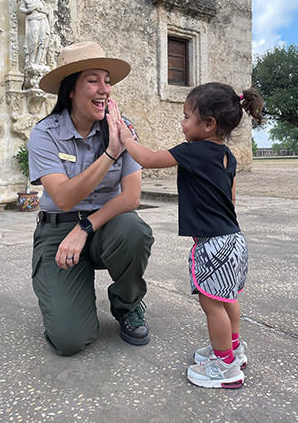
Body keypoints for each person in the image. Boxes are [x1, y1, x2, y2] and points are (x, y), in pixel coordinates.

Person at [112, 82, 263, 389]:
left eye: (185, 116)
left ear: (208, 124)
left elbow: (149, 158)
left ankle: (224, 367)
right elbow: (230, 200)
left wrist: (126, 138)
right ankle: (232, 348)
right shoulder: (227, 157)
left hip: (213, 243)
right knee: (227, 297)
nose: (181, 123)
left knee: (212, 305)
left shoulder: (194, 151)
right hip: (234, 238)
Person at [27, 41, 154, 356]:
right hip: (58, 232)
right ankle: (67, 297)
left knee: (133, 231)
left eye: (107, 81)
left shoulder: (123, 130)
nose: (105, 89)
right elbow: (65, 199)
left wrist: (86, 228)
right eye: (93, 80)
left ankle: (126, 304)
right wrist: (111, 152)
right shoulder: (45, 134)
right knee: (70, 340)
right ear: (71, 89)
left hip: (105, 228)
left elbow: (132, 197)